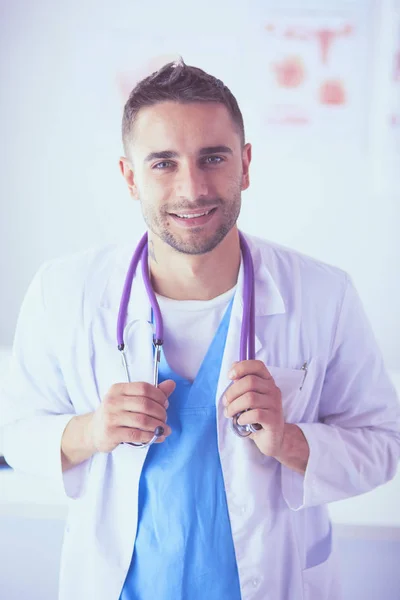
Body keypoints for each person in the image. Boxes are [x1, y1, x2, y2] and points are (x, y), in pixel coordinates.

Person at [1, 57, 400, 600]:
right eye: (163, 163)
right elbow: (14, 433)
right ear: (129, 177)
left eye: (213, 158)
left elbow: (382, 444)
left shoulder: (324, 294)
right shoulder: (63, 292)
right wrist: (90, 432)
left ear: (246, 164)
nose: (193, 188)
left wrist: (290, 440)